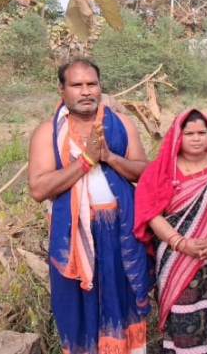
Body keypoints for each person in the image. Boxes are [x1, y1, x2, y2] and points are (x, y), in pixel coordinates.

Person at [28, 58, 152, 354]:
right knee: (79, 311)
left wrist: (109, 157)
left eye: (91, 84)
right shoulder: (47, 133)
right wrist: (85, 161)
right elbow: (39, 189)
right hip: (73, 238)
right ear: (62, 90)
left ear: (100, 87)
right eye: (77, 85)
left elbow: (145, 173)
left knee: (122, 305)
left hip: (121, 234)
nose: (86, 91)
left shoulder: (121, 125)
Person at [134, 109, 207, 354]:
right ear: (177, 136)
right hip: (177, 260)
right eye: (189, 133)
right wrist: (181, 243)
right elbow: (151, 214)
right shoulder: (162, 171)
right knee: (183, 323)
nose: (196, 138)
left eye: (201, 133)